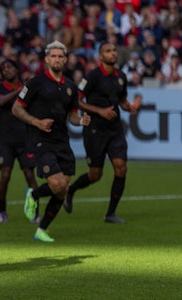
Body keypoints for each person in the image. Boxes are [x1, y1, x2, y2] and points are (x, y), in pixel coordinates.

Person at [12, 41, 90, 242]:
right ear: (47, 59)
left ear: (65, 60)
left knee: (63, 189)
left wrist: (81, 120)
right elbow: (17, 109)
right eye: (53, 56)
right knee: (56, 184)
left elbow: (72, 116)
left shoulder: (70, 87)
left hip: (62, 142)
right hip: (41, 140)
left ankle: (41, 230)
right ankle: (34, 195)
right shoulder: (35, 83)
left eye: (60, 56)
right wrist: (36, 122)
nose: (57, 59)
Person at [63, 41, 140, 224]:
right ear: (101, 56)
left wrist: (129, 107)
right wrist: (100, 111)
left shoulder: (121, 76)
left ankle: (110, 214)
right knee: (95, 175)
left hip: (114, 129)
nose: (113, 53)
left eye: (114, 50)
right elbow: (77, 101)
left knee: (121, 168)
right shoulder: (92, 77)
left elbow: (121, 99)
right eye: (108, 51)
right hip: (95, 129)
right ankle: (71, 190)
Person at [0, 59, 38, 223]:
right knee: (5, 176)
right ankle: (1, 210)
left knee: (30, 176)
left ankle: (35, 212)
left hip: (25, 138)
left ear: (17, 70)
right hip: (6, 141)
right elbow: (0, 101)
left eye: (10, 67)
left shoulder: (28, 87)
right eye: (4, 68)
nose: (7, 70)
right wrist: (20, 90)